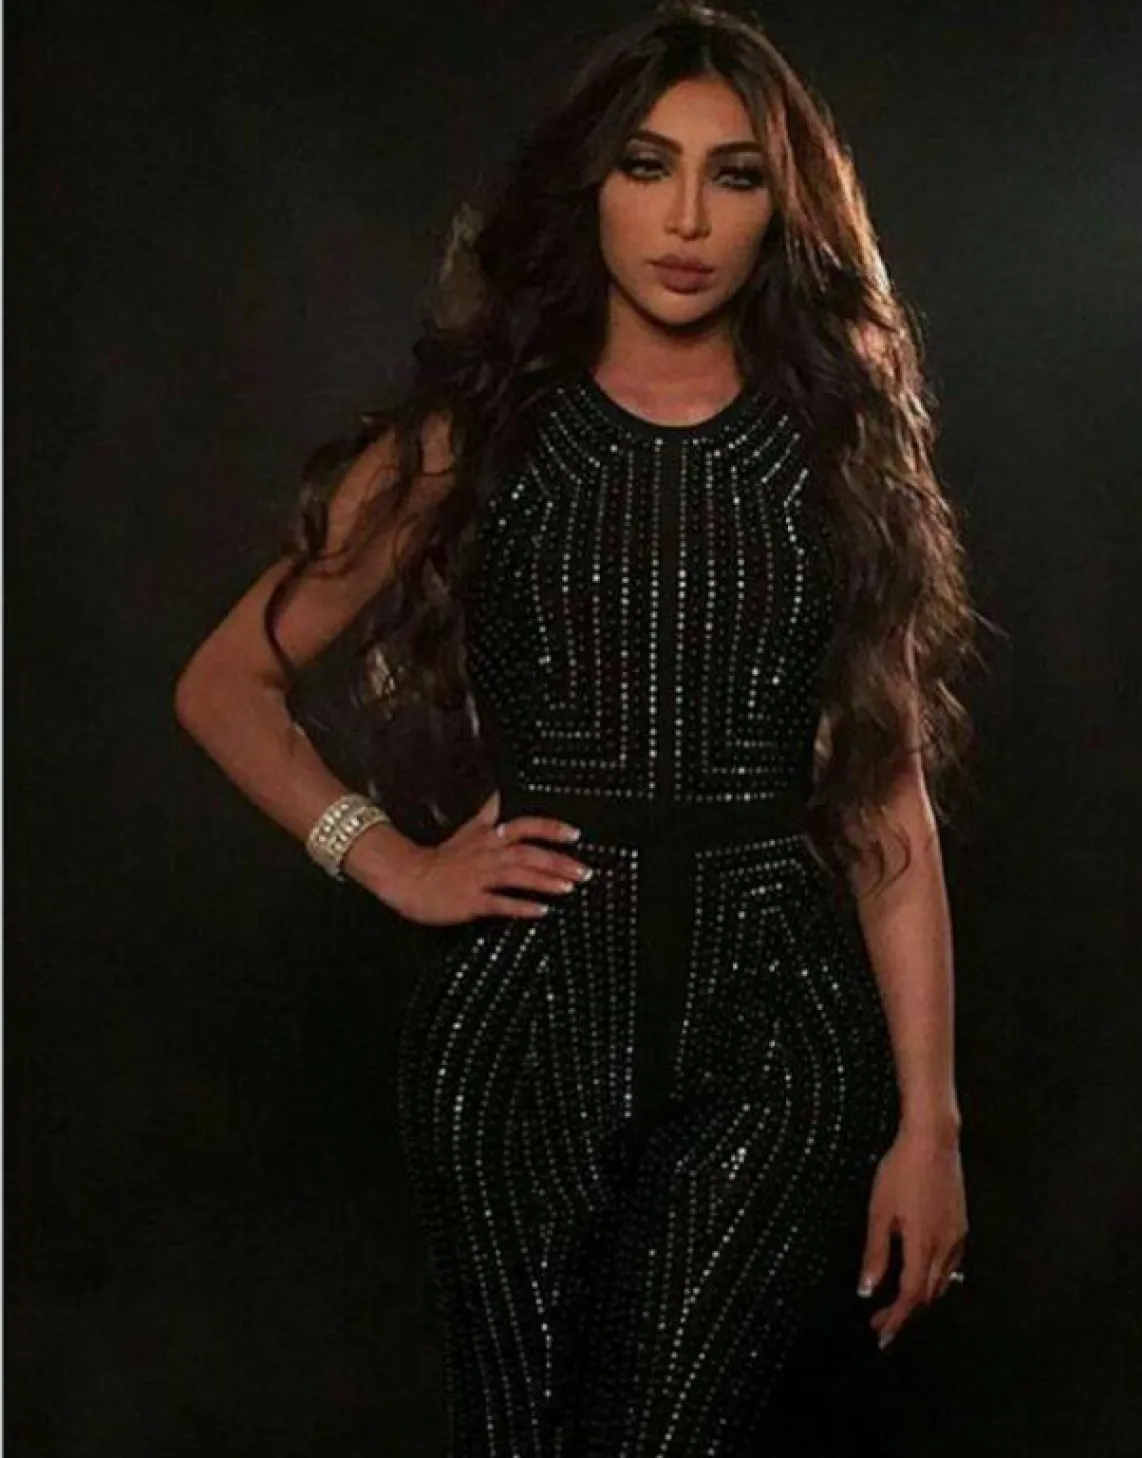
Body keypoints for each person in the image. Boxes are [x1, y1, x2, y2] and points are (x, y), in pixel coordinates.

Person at [174, 3, 977, 1453]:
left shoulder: (831, 448)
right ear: (588, 186)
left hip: (778, 1039)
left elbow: (885, 797)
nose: (687, 220)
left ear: (784, 208)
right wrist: (390, 857)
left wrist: (932, 1124)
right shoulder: (478, 433)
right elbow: (223, 683)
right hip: (518, 1028)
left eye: (735, 176)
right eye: (646, 167)